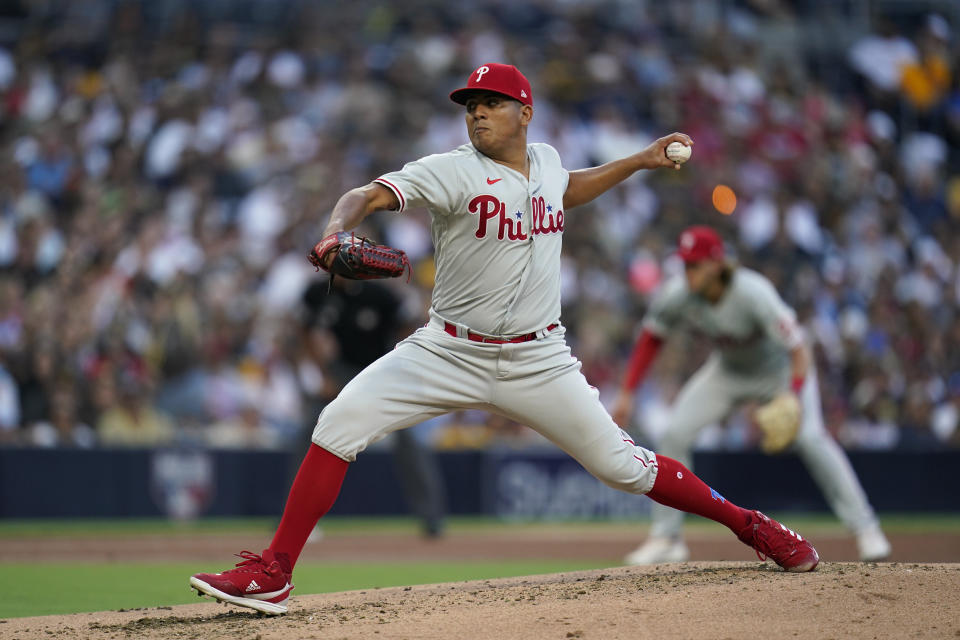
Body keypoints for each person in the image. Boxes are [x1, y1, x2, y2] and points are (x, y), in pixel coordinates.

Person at [189, 63, 819, 616]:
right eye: (470, 106)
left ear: (525, 111)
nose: (477, 115)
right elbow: (365, 194)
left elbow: (567, 189)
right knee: (337, 421)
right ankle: (275, 574)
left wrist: (637, 161)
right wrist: (333, 231)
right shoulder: (450, 171)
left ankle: (752, 526)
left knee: (624, 468)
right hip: (448, 350)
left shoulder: (544, 160)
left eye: (490, 104)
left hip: (538, 358)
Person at [612, 225, 891, 565]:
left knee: (811, 439)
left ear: (717, 263)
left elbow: (798, 348)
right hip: (727, 370)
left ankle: (865, 528)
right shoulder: (679, 294)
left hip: (780, 371)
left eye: (695, 265)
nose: (688, 272)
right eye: (685, 265)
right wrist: (627, 393)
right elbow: (650, 338)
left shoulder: (753, 292)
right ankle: (667, 537)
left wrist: (793, 394)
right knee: (675, 432)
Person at [302, 277, 446, 537]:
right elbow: (305, 331)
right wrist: (323, 374)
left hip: (379, 369)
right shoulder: (319, 291)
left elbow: (409, 325)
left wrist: (400, 362)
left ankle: (432, 517)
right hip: (342, 372)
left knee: (408, 441)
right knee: (308, 435)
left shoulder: (379, 293)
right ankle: (295, 519)